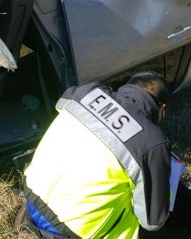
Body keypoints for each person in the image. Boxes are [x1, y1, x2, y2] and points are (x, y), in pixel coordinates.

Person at [20, 72, 176, 238]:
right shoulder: (152, 142)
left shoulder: (85, 92)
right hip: (74, 229)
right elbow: (153, 222)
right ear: (162, 110)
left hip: (32, 192)